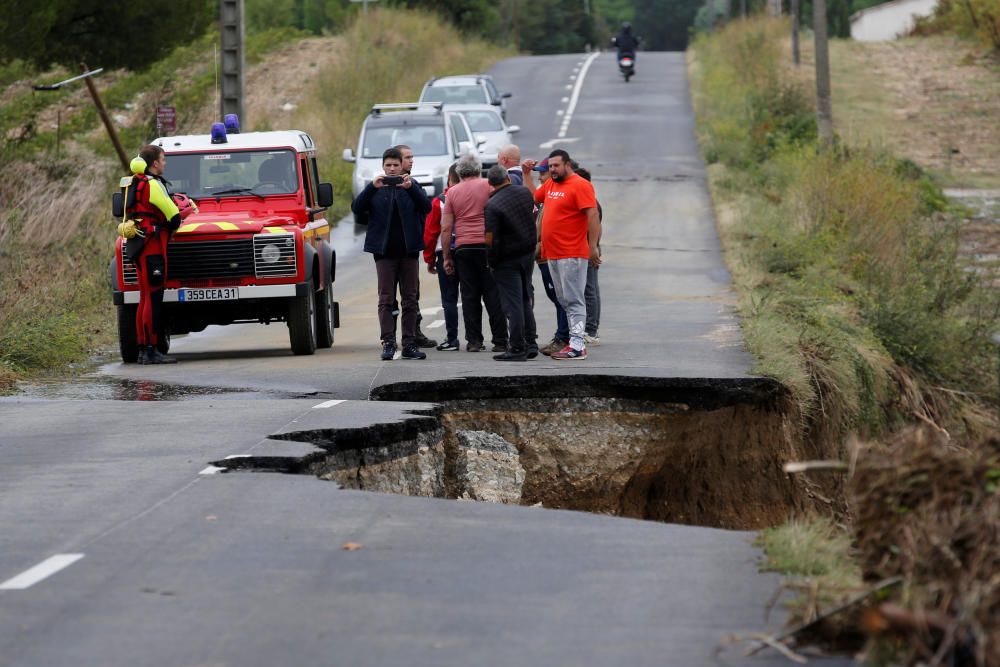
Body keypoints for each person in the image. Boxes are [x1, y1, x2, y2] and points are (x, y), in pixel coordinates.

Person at [351, 147, 432, 361]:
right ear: (383, 167)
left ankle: (409, 343)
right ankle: (388, 342)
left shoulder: (411, 186)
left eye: (396, 165)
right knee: (386, 298)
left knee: (410, 299)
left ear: (401, 166)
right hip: (384, 252)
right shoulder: (376, 188)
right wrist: (371, 187)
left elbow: (426, 207)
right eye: (388, 165)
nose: (392, 169)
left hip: (409, 251)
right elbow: (357, 208)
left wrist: (411, 188)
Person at [522, 149, 601, 360]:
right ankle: (570, 341)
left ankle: (577, 346)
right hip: (552, 254)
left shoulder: (581, 185)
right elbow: (533, 198)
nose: (553, 170)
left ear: (567, 165)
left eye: (556, 166)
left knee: (574, 299)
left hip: (572, 253)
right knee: (564, 299)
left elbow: (592, 215)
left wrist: (592, 246)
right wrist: (526, 174)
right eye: (550, 167)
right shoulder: (551, 184)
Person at [441, 153, 508, 353]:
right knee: (493, 294)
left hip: (463, 247)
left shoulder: (452, 193)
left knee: (469, 296)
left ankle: (474, 341)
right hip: (487, 246)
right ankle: (500, 341)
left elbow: (446, 229)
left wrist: (446, 257)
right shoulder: (489, 186)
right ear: (478, 169)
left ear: (459, 171)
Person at [124, 145, 182, 364]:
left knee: (143, 297)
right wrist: (173, 221)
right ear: (154, 163)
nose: (165, 163)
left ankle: (142, 350)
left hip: (138, 245)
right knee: (153, 298)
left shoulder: (135, 183)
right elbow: (174, 216)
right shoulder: (154, 185)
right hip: (153, 248)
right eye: (163, 159)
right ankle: (151, 350)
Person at [483, 165, 538, 361]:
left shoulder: (492, 205)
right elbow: (533, 216)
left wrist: (492, 262)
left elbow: (490, 239)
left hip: (507, 260)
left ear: (490, 183)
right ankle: (531, 342)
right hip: (527, 254)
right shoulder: (524, 192)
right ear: (507, 177)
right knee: (524, 298)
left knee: (512, 303)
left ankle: (517, 347)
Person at [392, 144, 437, 349]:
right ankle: (391, 337)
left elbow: (426, 209)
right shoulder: (384, 186)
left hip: (412, 247)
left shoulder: (414, 184)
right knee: (390, 295)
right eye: (407, 157)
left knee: (412, 293)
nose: (411, 160)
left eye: (412, 157)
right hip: (391, 249)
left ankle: (413, 332)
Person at [525, 158, 570, 356]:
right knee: (557, 298)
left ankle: (564, 337)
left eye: (542, 172)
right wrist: (526, 174)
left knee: (561, 299)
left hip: (553, 255)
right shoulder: (549, 193)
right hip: (546, 256)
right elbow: (532, 196)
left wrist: (536, 248)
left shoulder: (559, 192)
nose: (541, 176)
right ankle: (563, 336)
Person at [424, 164, 461, 351]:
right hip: (469, 249)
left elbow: (431, 232)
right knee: (472, 297)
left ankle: (452, 338)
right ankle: (476, 339)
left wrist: (429, 259)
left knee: (449, 298)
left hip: (444, 251)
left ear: (449, 178)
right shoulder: (476, 196)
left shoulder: (440, 201)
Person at [573, 165, 602, 346]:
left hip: (587, 250)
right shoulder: (591, 200)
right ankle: (591, 327)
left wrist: (593, 248)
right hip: (587, 248)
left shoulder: (591, 203)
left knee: (589, 291)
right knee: (590, 290)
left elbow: (596, 227)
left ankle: (590, 329)